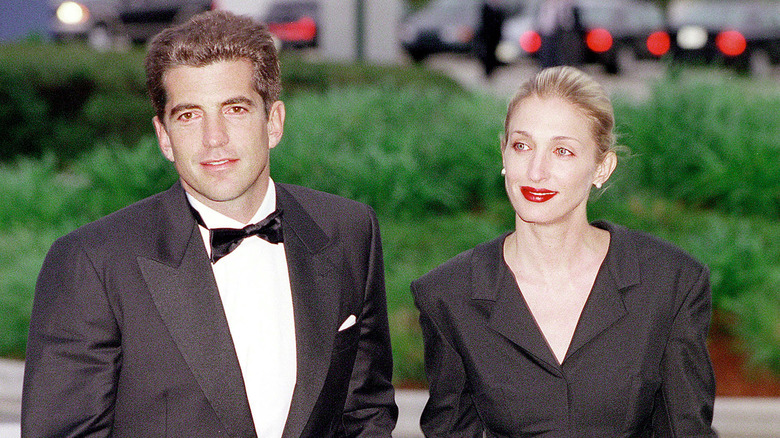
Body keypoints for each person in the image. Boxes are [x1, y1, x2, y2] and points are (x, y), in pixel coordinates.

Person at [22, 11, 397, 438]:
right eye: (188, 115)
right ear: (164, 137)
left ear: (273, 122)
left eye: (234, 109)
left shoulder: (348, 231)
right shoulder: (93, 263)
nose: (213, 138)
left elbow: (366, 410)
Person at [411, 66, 716, 436]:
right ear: (503, 154)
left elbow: (685, 430)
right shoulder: (448, 294)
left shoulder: (670, 283)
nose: (536, 171)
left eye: (562, 151)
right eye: (522, 145)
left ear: (601, 167)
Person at [537, 0, 584, 68]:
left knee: (563, 56)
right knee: (548, 56)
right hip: (548, 34)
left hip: (564, 34)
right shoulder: (545, 5)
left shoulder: (569, 5)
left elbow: (570, 21)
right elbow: (543, 21)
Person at [474, 0, 506, 78]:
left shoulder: (499, 9)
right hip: (486, 35)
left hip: (495, 36)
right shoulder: (485, 7)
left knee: (493, 54)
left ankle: (490, 72)